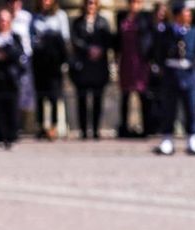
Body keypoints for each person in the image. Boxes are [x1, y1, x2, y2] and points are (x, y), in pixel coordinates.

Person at [152, 0, 195, 153]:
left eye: (189, 13)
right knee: (169, 109)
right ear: (177, 15)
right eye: (185, 12)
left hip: (189, 75)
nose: (188, 15)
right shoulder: (166, 32)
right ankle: (167, 138)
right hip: (171, 74)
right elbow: (159, 53)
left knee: (191, 109)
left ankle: (193, 137)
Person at [69, 0, 111, 137]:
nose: (90, 6)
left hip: (99, 66)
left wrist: (99, 50)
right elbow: (74, 40)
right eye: (88, 3)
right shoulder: (77, 22)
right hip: (82, 66)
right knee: (82, 99)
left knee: (97, 99)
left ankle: (95, 129)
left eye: (93, 3)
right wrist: (88, 49)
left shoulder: (103, 22)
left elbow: (108, 40)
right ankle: (83, 130)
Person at [0, 5, 27, 146]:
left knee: (12, 107)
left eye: (5, 20)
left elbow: (21, 56)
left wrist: (6, 53)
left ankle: (11, 136)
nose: (2, 22)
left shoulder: (15, 37)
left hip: (11, 77)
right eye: (0, 20)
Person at [32, 0, 71, 137]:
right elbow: (32, 39)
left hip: (54, 63)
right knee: (40, 96)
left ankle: (54, 126)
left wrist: (64, 61)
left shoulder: (60, 16)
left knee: (54, 95)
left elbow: (65, 39)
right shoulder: (35, 17)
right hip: (39, 62)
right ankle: (41, 126)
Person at [117, 0, 156, 134]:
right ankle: (124, 127)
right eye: (132, 3)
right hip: (126, 60)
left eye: (137, 3)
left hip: (140, 60)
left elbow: (150, 38)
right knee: (125, 95)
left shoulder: (146, 18)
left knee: (143, 94)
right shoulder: (121, 17)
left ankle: (147, 127)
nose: (134, 6)